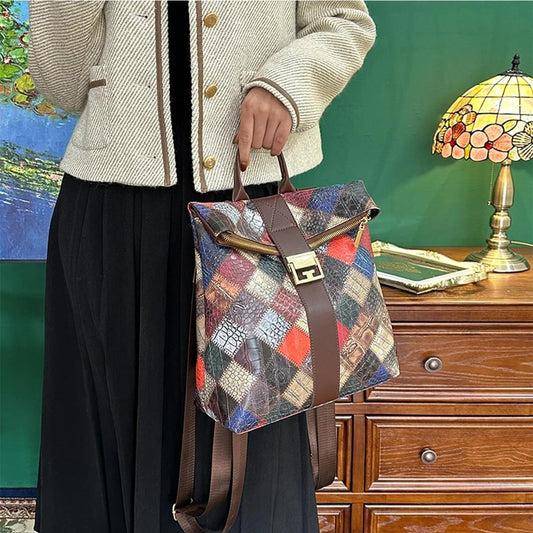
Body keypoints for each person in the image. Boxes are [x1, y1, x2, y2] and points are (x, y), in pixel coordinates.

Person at [27, 1, 376, 532]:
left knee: (254, 423)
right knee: (109, 421)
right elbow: (62, 83)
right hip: (113, 212)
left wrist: (286, 84)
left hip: (252, 215)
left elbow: (345, 22)